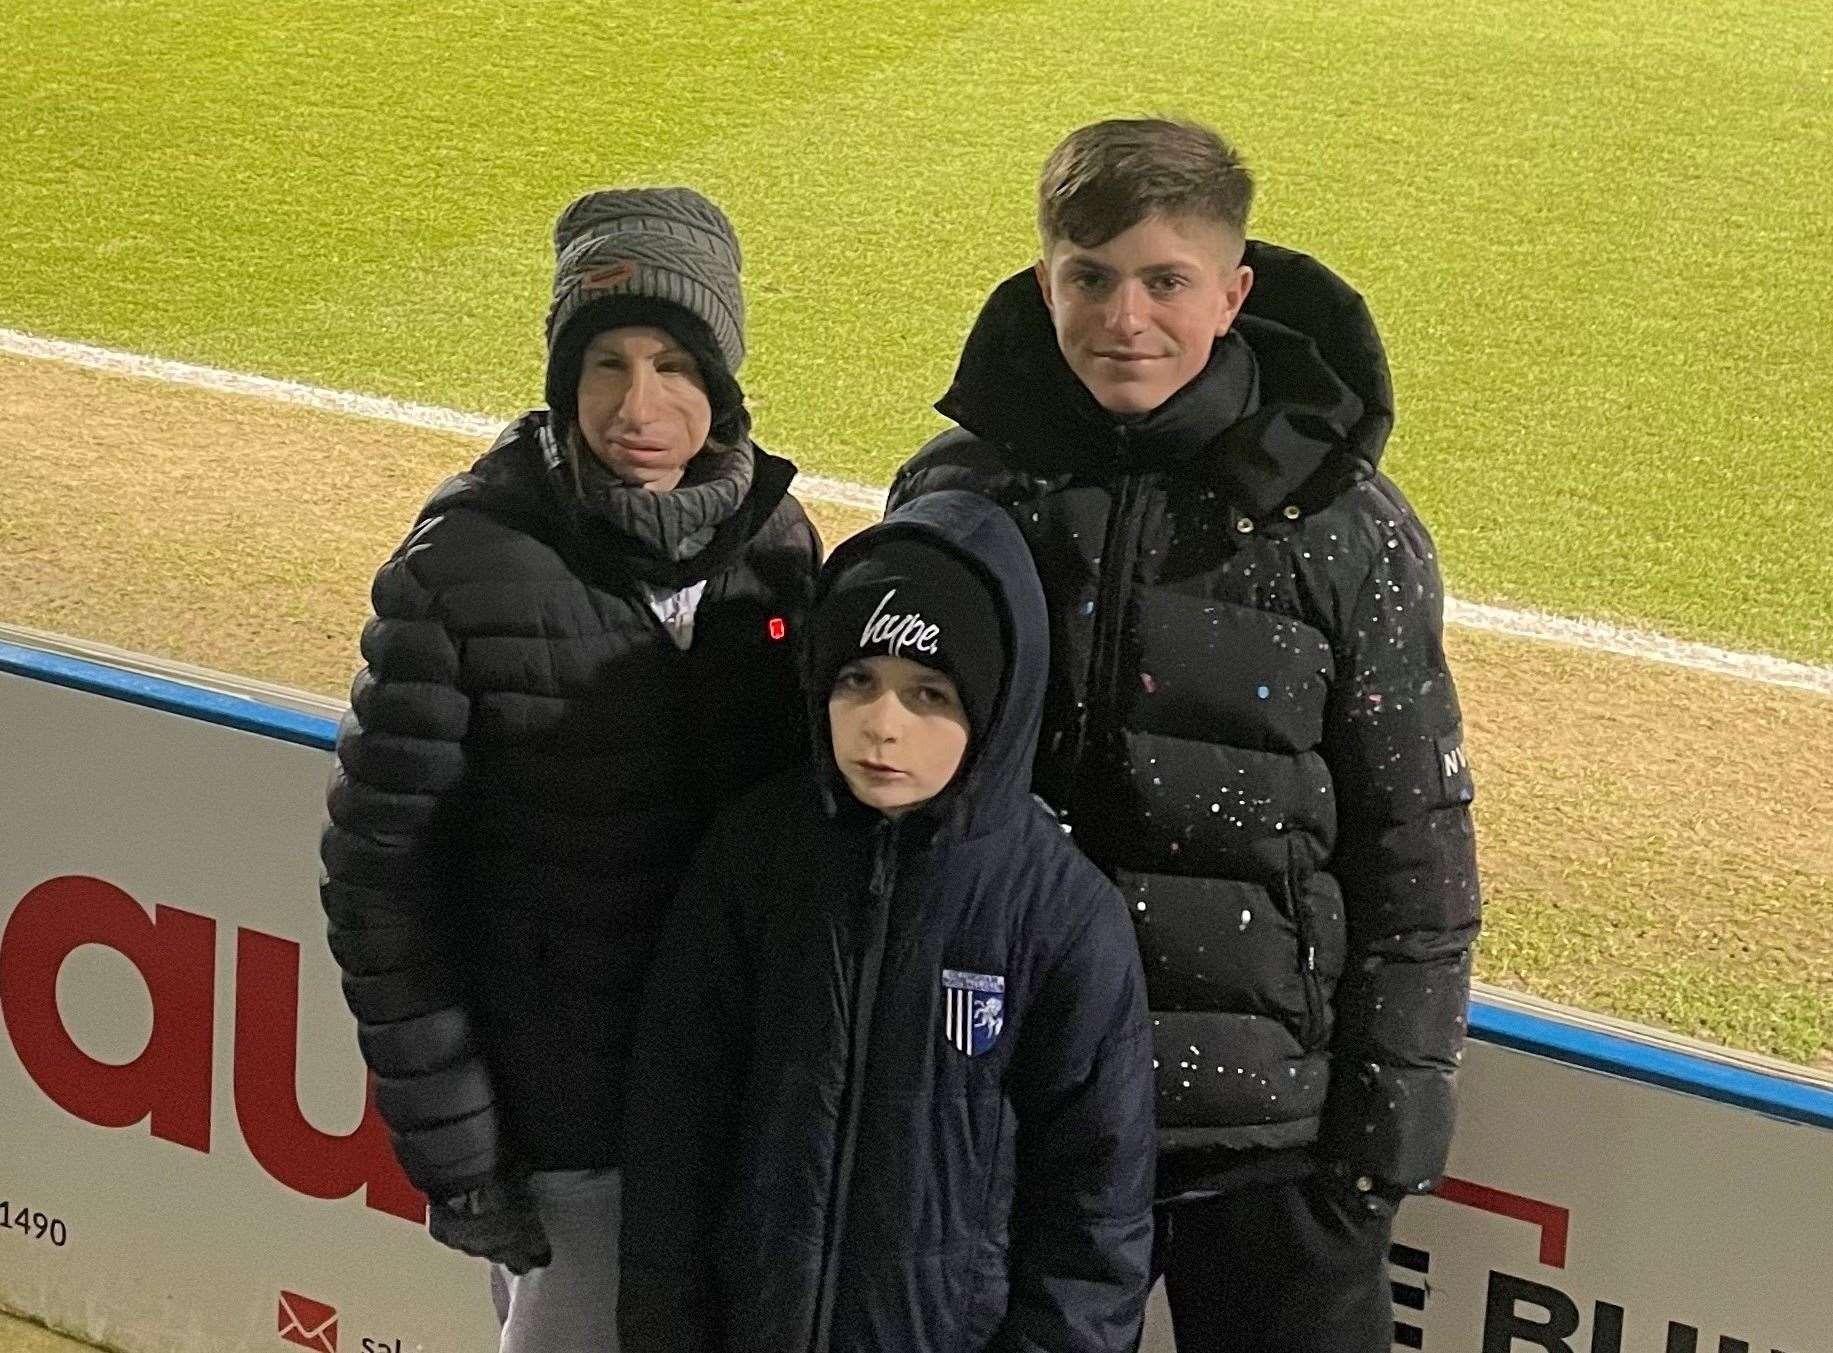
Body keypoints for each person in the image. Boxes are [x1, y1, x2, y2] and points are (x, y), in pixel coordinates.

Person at [889, 119, 1483, 1352]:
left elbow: (1414, 844)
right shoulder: (957, 495)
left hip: (1264, 1149)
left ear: (1234, 292)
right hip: (1010, 1106)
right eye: (1090, 278)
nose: (1125, 318)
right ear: (1043, 278)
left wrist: (1377, 1154)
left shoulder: (1347, 530)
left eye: (1166, 281)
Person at [318, 186, 820, 1352]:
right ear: (561, 378)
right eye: (606, 363)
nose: (639, 406)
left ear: (724, 381)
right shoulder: (460, 568)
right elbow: (381, 883)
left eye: (675, 364)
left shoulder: (782, 550)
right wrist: (461, 1148)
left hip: (743, 1106)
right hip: (567, 1132)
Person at [617, 490, 1156, 1353]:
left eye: (928, 694)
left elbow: (1094, 1228)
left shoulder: (1062, 918)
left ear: (994, 707)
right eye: (857, 681)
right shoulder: (753, 858)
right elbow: (675, 1137)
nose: (882, 727)